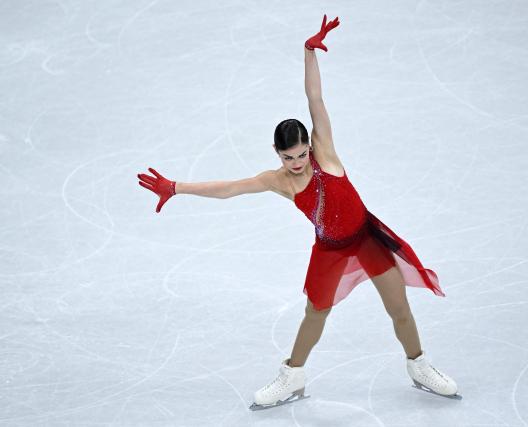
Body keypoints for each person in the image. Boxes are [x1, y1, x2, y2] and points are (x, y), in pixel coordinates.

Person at [137, 14, 460, 410]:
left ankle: (419, 366)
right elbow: (230, 189)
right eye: (289, 156)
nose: (297, 162)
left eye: (301, 153)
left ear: (311, 144)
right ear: (278, 154)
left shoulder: (324, 150)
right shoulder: (279, 181)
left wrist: (309, 51)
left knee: (399, 309)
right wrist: (177, 187)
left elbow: (315, 99)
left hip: (365, 236)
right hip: (329, 247)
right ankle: (292, 377)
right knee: (315, 313)